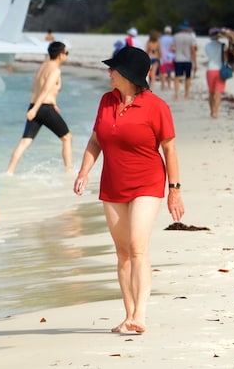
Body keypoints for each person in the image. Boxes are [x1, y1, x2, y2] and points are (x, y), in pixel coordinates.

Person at [73, 46, 184, 335]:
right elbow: (96, 141)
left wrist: (174, 189)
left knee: (137, 246)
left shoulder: (156, 106)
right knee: (122, 252)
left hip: (147, 182)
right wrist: (84, 170)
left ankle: (141, 315)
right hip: (112, 184)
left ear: (129, 75)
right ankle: (128, 315)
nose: (109, 71)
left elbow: (169, 149)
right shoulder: (106, 101)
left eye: (114, 68)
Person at [5, 41, 72, 175]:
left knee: (25, 141)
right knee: (67, 138)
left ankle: (9, 172)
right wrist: (36, 109)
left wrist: (49, 104)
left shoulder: (43, 66)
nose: (67, 56)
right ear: (60, 55)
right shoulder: (55, 70)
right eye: (66, 53)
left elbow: (35, 88)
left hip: (36, 105)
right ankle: (69, 172)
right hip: (43, 108)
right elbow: (46, 89)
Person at [204, 34, 228, 119]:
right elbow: (225, 58)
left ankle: (211, 110)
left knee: (211, 92)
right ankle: (216, 111)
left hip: (210, 69)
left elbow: (208, 56)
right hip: (219, 69)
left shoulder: (207, 46)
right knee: (218, 92)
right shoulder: (222, 46)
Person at [172, 22, 197, 100]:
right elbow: (193, 50)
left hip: (178, 59)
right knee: (188, 77)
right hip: (187, 59)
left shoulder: (176, 36)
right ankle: (186, 94)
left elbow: (172, 48)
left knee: (177, 77)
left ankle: (176, 94)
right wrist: (195, 62)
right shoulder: (191, 37)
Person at [158, 25, 174, 91]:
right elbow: (172, 48)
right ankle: (169, 86)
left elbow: (159, 48)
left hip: (162, 57)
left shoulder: (161, 38)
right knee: (169, 72)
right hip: (170, 57)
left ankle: (162, 86)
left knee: (162, 72)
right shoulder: (172, 38)